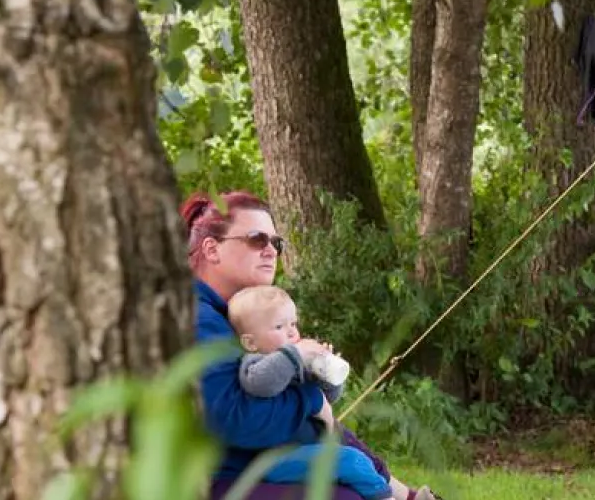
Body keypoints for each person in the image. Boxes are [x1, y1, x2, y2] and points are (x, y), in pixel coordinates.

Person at [184, 192, 436, 500]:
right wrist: (311, 399)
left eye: (275, 243)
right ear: (212, 249)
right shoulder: (196, 317)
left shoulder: (237, 316)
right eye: (256, 239)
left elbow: (320, 425)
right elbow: (232, 419)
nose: (270, 251)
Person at [227, 285, 395, 499]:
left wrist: (325, 373)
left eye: (293, 324)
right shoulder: (255, 363)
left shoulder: (295, 364)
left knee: (358, 460)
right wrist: (295, 353)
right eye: (279, 326)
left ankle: (384, 492)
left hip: (306, 451)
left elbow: (330, 398)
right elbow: (262, 383)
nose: (292, 332)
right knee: (352, 461)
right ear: (250, 342)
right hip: (275, 458)